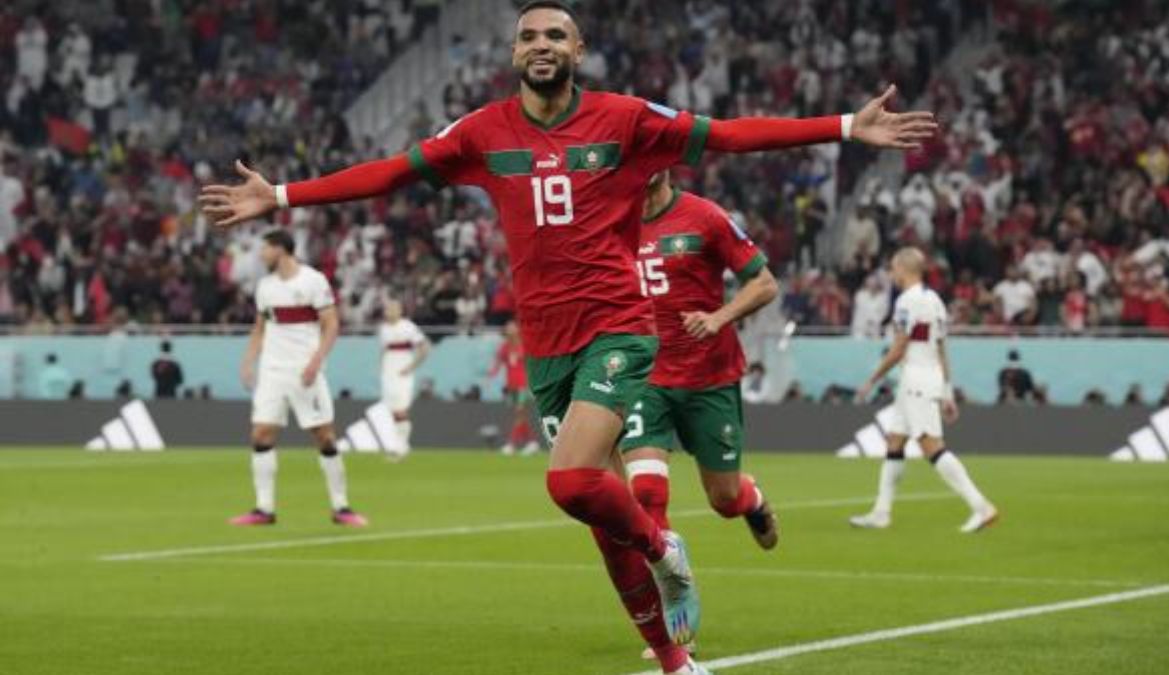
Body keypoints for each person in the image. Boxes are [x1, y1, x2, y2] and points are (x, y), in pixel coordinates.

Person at [199, 3, 936, 670]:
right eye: (528, 36)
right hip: (546, 345)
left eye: (556, 34)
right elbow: (391, 173)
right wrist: (282, 195)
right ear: (514, 53)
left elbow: (729, 135)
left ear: (578, 50)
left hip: (618, 327)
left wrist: (846, 126)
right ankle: (675, 662)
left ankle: (664, 547)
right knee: (597, 517)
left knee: (569, 481)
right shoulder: (482, 133)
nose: (541, 44)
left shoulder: (625, 120)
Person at [621, 172, 780, 658]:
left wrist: (718, 318)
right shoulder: (612, 220)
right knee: (646, 492)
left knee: (723, 498)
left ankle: (750, 498)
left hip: (710, 377)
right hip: (645, 376)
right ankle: (675, 609)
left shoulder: (705, 217)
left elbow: (764, 283)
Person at [851, 248, 998, 533]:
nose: (891, 274)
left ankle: (981, 507)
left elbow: (899, 347)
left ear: (904, 269)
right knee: (895, 442)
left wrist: (872, 380)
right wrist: (947, 391)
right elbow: (942, 348)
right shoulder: (935, 301)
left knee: (931, 446)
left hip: (916, 379)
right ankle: (881, 512)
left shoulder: (907, 301)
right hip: (927, 377)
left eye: (893, 268)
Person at [230, 229, 367, 528]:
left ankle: (341, 507)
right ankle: (264, 509)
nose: (261, 255)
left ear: (281, 249)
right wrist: (248, 362)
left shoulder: (313, 281)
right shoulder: (265, 286)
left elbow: (331, 324)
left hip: (305, 370)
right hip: (272, 371)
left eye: (265, 248)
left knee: (324, 436)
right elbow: (260, 328)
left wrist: (316, 362)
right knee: (261, 434)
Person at [378, 298, 430, 461]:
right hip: (388, 372)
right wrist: (382, 368)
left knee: (401, 409)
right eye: (387, 309)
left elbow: (425, 348)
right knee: (392, 411)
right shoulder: (383, 328)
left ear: (400, 311)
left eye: (393, 308)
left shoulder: (408, 327)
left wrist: (411, 367)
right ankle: (399, 445)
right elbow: (383, 350)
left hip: (403, 370)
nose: (389, 312)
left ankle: (401, 447)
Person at [489, 320, 539, 456]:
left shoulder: (525, 345)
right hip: (511, 385)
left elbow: (533, 364)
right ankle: (532, 443)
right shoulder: (505, 347)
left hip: (524, 385)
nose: (509, 330)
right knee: (520, 415)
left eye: (512, 328)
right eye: (508, 328)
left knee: (519, 412)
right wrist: (491, 374)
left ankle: (511, 444)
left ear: (518, 330)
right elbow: (498, 362)